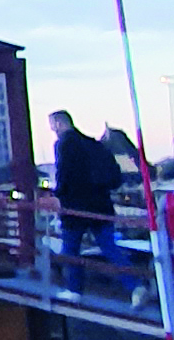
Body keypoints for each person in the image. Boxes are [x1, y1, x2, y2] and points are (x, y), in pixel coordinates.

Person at [51, 108, 121, 294]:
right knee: (109, 247)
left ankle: (74, 290)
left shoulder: (64, 144)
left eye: (52, 125)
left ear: (59, 123)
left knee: (71, 250)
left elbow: (63, 174)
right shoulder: (93, 144)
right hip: (100, 204)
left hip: (75, 207)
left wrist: (58, 195)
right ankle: (136, 285)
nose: (53, 130)